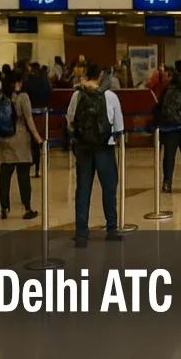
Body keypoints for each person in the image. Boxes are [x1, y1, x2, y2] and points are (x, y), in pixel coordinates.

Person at [66, 62, 125, 248]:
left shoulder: (77, 95)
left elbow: (70, 120)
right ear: (100, 75)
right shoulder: (110, 96)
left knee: (83, 189)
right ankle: (111, 229)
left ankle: (81, 234)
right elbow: (119, 126)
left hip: (83, 149)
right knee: (109, 189)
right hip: (104, 147)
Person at [0, 71, 41, 220]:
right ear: (18, 82)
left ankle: (4, 208)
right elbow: (29, 120)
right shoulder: (23, 97)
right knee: (23, 176)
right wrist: (38, 138)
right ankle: (27, 208)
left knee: (5, 175)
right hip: (20, 139)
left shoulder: (0, 95)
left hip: (4, 139)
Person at [157, 60, 181, 193]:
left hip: (169, 126)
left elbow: (160, 104)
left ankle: (167, 183)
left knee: (169, 155)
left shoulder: (169, 84)